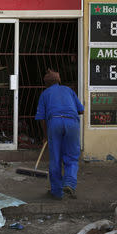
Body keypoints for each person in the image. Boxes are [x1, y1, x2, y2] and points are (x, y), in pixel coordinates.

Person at [35, 69, 84, 200]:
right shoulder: (68, 90)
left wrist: (45, 135)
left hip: (54, 122)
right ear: (59, 80)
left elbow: (41, 118)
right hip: (72, 123)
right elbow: (81, 110)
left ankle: (56, 192)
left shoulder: (45, 94)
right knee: (72, 157)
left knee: (55, 158)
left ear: (46, 84)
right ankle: (69, 183)